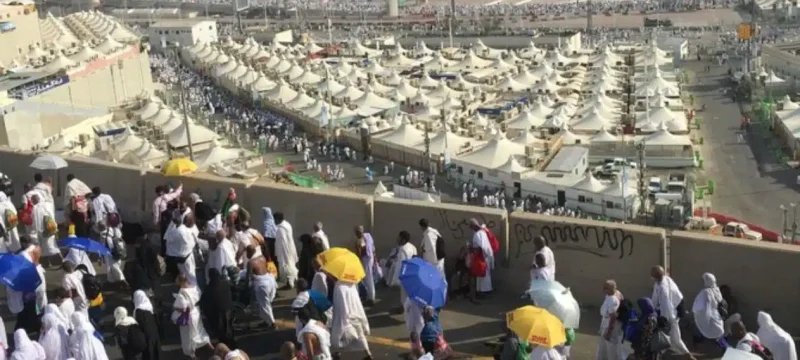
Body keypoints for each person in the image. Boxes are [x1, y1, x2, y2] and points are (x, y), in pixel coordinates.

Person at [650, 266, 693, 358]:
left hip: (670, 315)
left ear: (656, 276)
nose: (651, 276)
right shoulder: (664, 280)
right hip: (672, 313)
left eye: (652, 275)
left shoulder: (663, 288)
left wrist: (663, 321)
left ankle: (688, 355)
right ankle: (687, 355)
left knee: (668, 338)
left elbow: (666, 306)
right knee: (674, 339)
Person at [331, 276, 372, 359]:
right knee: (361, 335)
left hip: (345, 315)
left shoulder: (339, 287)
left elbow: (340, 304)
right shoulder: (351, 283)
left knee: (337, 335)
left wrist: (342, 317)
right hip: (356, 313)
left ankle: (336, 352)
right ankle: (368, 354)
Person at [172, 274, 211, 359]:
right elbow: (200, 296)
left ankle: (192, 354)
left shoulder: (182, 292)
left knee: (189, 336)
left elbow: (182, 307)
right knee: (200, 329)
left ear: (181, 282)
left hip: (188, 315)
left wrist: (175, 308)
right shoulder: (194, 287)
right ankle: (207, 342)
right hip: (197, 312)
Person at [201, 269, 237, 349]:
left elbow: (205, 302)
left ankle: (225, 346)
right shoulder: (225, 283)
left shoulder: (209, 288)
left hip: (217, 314)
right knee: (229, 328)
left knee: (221, 331)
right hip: (228, 310)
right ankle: (232, 344)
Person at [248, 246, 277, 330]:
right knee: (265, 304)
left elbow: (249, 277)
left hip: (262, 285)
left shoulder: (250, 263)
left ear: (249, 253)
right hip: (270, 281)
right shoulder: (262, 258)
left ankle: (273, 323)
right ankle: (266, 321)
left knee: (265, 305)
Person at [692, 273, 725, 345]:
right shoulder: (716, 290)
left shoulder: (706, 292)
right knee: (719, 337)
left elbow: (704, 309)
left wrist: (704, 320)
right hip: (718, 319)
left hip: (711, 320)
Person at [596, 280, 625, 360]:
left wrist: (609, 332)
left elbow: (613, 317)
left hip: (609, 326)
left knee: (611, 349)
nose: (604, 289)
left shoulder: (613, 300)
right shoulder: (614, 294)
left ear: (612, 288)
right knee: (603, 347)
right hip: (605, 323)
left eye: (606, 288)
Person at [166, 214, 199, 285]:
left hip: (178, 258)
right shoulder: (188, 231)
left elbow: (167, 239)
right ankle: (194, 293)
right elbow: (194, 242)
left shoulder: (175, 231)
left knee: (184, 278)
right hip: (187, 258)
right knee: (191, 278)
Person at [132, 290, 161, 360]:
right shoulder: (149, 306)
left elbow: (139, 325)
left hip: (146, 336)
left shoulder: (139, 311)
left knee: (148, 353)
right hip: (154, 334)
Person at [31, 194, 60, 263]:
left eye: (32, 200)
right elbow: (52, 215)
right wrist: (54, 226)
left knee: (44, 248)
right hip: (50, 228)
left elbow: (35, 222)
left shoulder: (35, 208)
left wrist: (34, 232)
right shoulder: (47, 205)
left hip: (42, 231)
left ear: (34, 200)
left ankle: (48, 262)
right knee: (53, 245)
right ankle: (61, 260)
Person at [469, 219, 493, 298]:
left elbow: (480, 247)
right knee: (484, 276)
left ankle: (483, 292)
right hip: (486, 257)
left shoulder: (478, 234)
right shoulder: (482, 232)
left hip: (482, 257)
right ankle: (483, 291)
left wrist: (471, 248)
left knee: (482, 276)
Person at [391, 231, 417, 305]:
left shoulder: (402, 249)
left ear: (403, 240)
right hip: (412, 272)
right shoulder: (412, 246)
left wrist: (396, 280)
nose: (397, 239)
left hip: (405, 274)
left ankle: (404, 308)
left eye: (399, 238)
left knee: (404, 294)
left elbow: (400, 265)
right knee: (410, 293)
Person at [274, 212, 298, 289]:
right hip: (290, 248)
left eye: (275, 219)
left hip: (284, 251)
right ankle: (290, 282)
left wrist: (284, 255)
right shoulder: (287, 224)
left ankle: (290, 283)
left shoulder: (281, 229)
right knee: (290, 264)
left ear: (277, 219)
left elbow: (283, 242)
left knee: (287, 265)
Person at [354, 225, 377, 305]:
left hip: (366, 259)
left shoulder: (361, 240)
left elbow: (361, 252)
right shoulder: (368, 236)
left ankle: (370, 298)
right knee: (368, 278)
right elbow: (373, 248)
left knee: (368, 278)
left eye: (357, 232)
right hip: (369, 258)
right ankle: (369, 296)